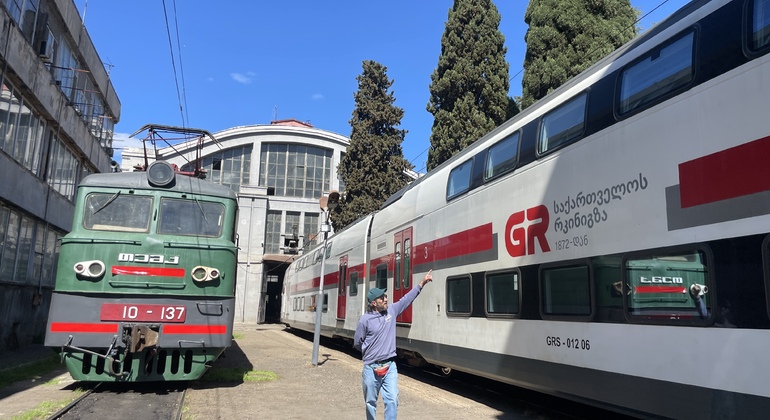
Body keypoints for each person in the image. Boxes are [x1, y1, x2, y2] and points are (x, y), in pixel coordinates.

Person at [353, 269, 433, 420]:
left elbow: (406, 299)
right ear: (373, 303)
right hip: (371, 367)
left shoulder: (391, 310)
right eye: (382, 297)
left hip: (390, 366)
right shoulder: (365, 320)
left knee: (392, 400)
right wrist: (370, 352)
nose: (385, 298)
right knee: (371, 402)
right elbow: (357, 342)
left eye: (385, 296)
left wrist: (421, 283)